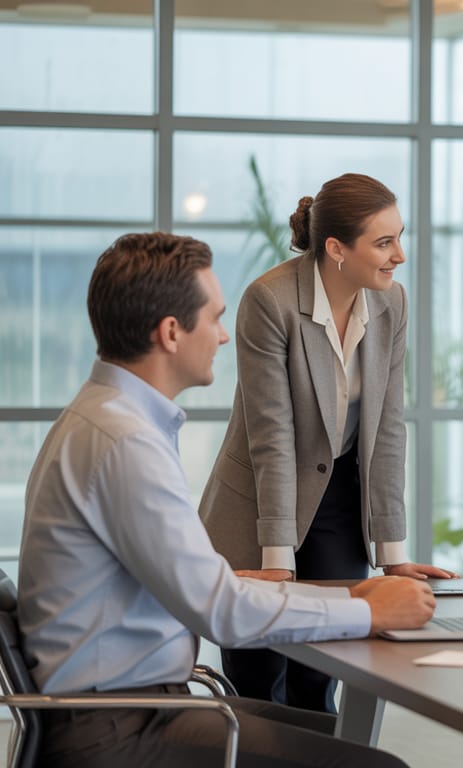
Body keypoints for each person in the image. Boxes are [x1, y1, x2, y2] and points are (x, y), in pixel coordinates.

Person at [18, 232, 435, 768]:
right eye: (214, 318)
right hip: (118, 729)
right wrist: (366, 610)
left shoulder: (103, 418)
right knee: (377, 764)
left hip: (134, 708)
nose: (221, 336)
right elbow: (222, 613)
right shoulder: (125, 443)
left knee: (346, 738)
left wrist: (345, 594)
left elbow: (194, 585)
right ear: (171, 332)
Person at [198, 173, 453, 713]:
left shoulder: (391, 303)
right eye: (384, 243)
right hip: (260, 499)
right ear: (336, 249)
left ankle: (325, 750)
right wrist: (276, 559)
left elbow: (387, 428)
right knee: (258, 674)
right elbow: (272, 436)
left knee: (323, 674)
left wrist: (393, 555)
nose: (400, 255)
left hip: (338, 495)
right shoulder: (270, 300)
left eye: (399, 238)